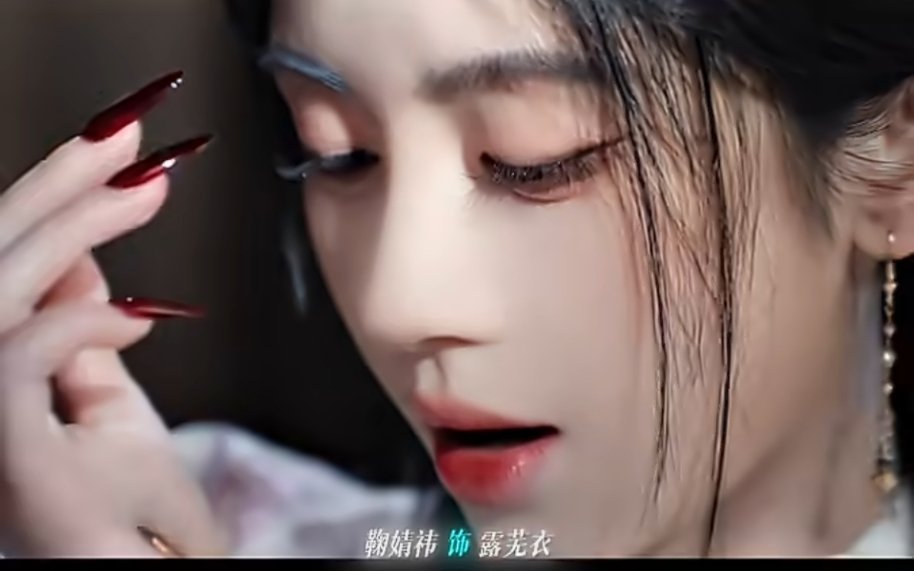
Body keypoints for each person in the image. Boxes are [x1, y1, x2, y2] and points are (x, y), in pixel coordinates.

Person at [0, 0, 913, 558]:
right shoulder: (159, 522)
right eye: (337, 153)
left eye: (535, 158)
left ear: (894, 159)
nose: (397, 303)